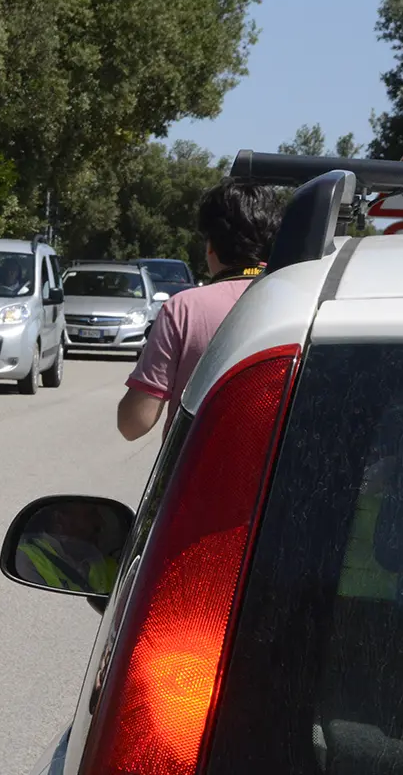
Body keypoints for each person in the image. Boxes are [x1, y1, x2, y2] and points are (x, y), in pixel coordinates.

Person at [117, 178, 283, 441]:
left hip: (196, 475)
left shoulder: (184, 308)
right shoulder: (304, 300)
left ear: (210, 247)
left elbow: (134, 423)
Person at [15, 501, 118, 594]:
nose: (100, 523)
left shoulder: (106, 564)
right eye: (90, 515)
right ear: (60, 519)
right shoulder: (28, 559)